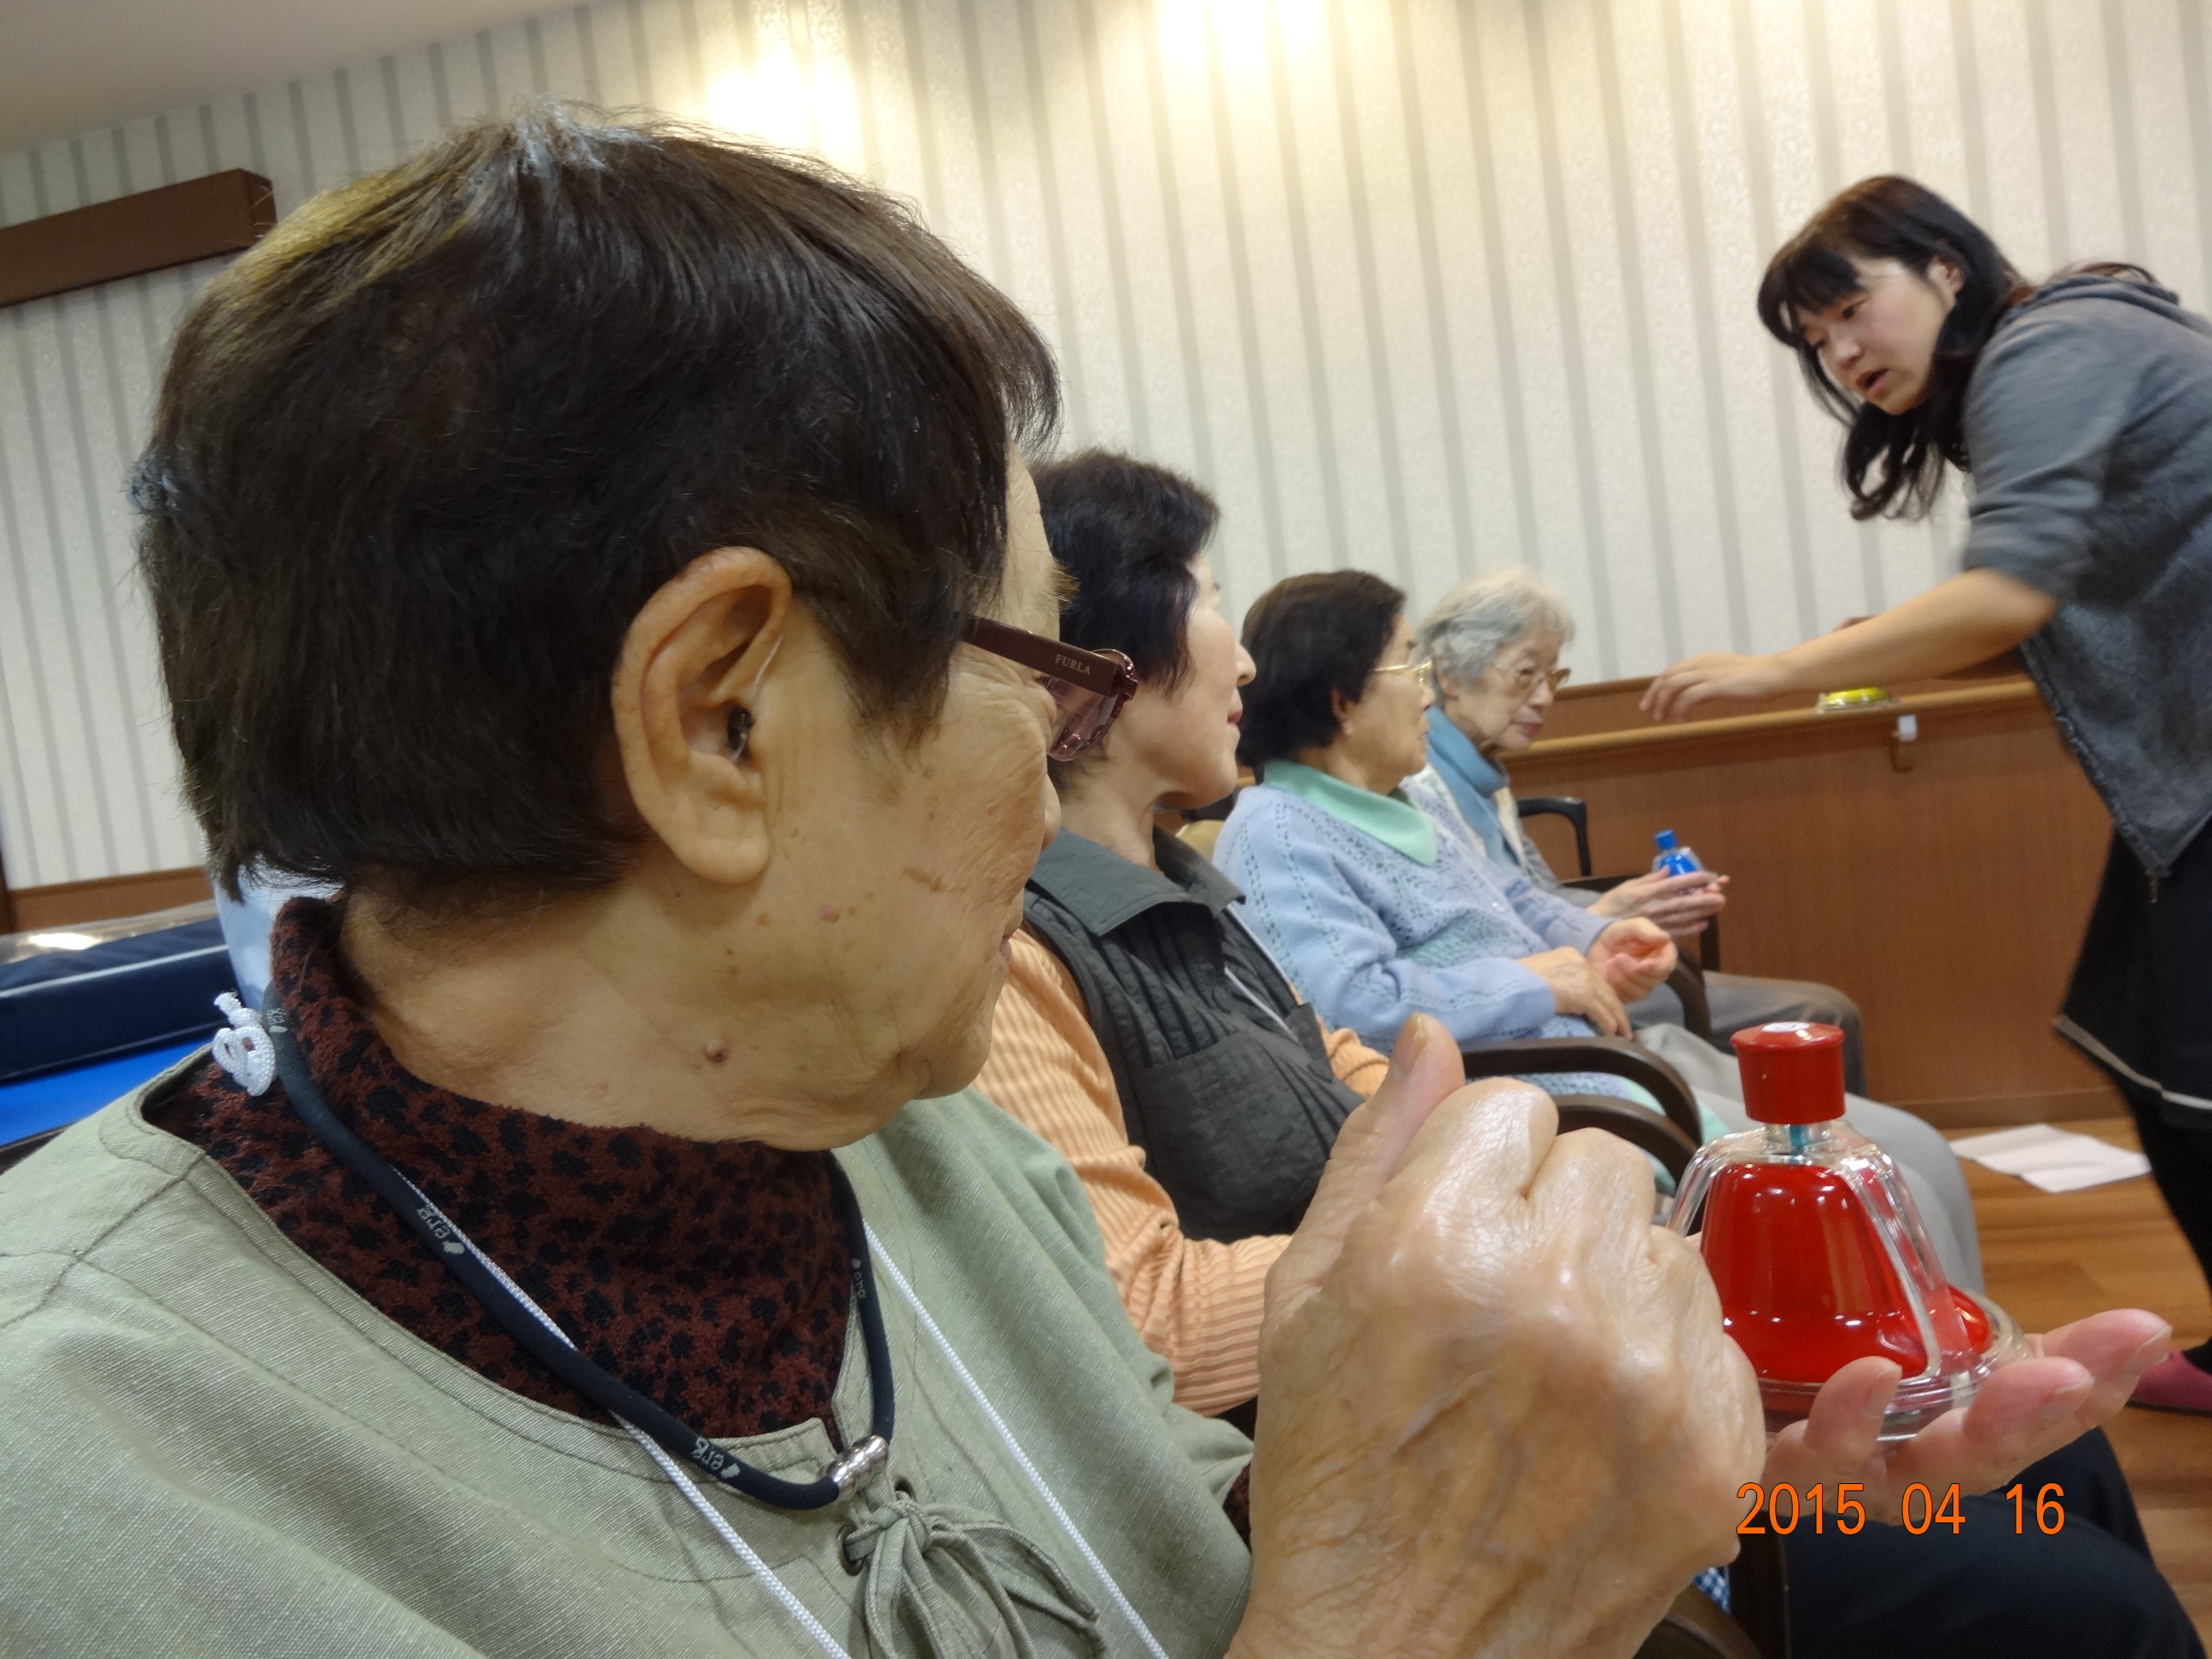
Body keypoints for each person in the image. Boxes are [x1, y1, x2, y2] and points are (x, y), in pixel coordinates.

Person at [0, 104, 1807, 1659]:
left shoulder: (923, 1147)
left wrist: (1566, 1490)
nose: (1057, 763)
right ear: (723, 722)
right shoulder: (85, 1490)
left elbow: (1187, 1550)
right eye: (1048, 671)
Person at [986, 474, 2198, 1659]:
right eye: (1208, 601)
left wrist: (1545, 1157)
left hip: (1501, 1347)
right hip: (1446, 1434)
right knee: (2088, 1605)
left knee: (2064, 1458)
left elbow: (1364, 1062)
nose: (1244, 661)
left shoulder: (1194, 886)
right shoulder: (1033, 944)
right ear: (1103, 659)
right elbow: (1147, 1317)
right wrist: (1516, 1230)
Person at [1644, 174, 2212, 1416]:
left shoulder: (2050, 345)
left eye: (1852, 310)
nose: (1842, 354)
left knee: (2189, 1080)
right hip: (2184, 793)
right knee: (2144, 1049)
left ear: (1946, 268)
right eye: (1817, 342)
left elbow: (2011, 592)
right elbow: (2049, 615)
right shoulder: (2055, 351)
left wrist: (1782, 670)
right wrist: (1874, 647)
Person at [1218, 570, 1982, 1286]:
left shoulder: (1406, 800)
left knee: (1914, 1157)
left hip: (1593, 1061)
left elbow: (1511, 897)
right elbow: (1348, 1011)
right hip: (1540, 1098)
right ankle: (1926, 1371)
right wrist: (1538, 982)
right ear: (1343, 699)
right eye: (1410, 667)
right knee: (1881, 1189)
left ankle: (1961, 1364)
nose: (1425, 694)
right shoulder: (1280, 831)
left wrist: (1594, 943)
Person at [1415, 568, 1868, 1091]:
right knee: (1817, 1013)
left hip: (1573, 969)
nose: (1544, 698)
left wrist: (1636, 903)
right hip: (1532, 1006)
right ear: (1449, 674)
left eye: (1552, 677)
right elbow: (1481, 941)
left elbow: (1538, 895)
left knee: (1822, 1011)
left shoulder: (1484, 773)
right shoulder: (1421, 785)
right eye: (1524, 674)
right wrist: (1610, 913)